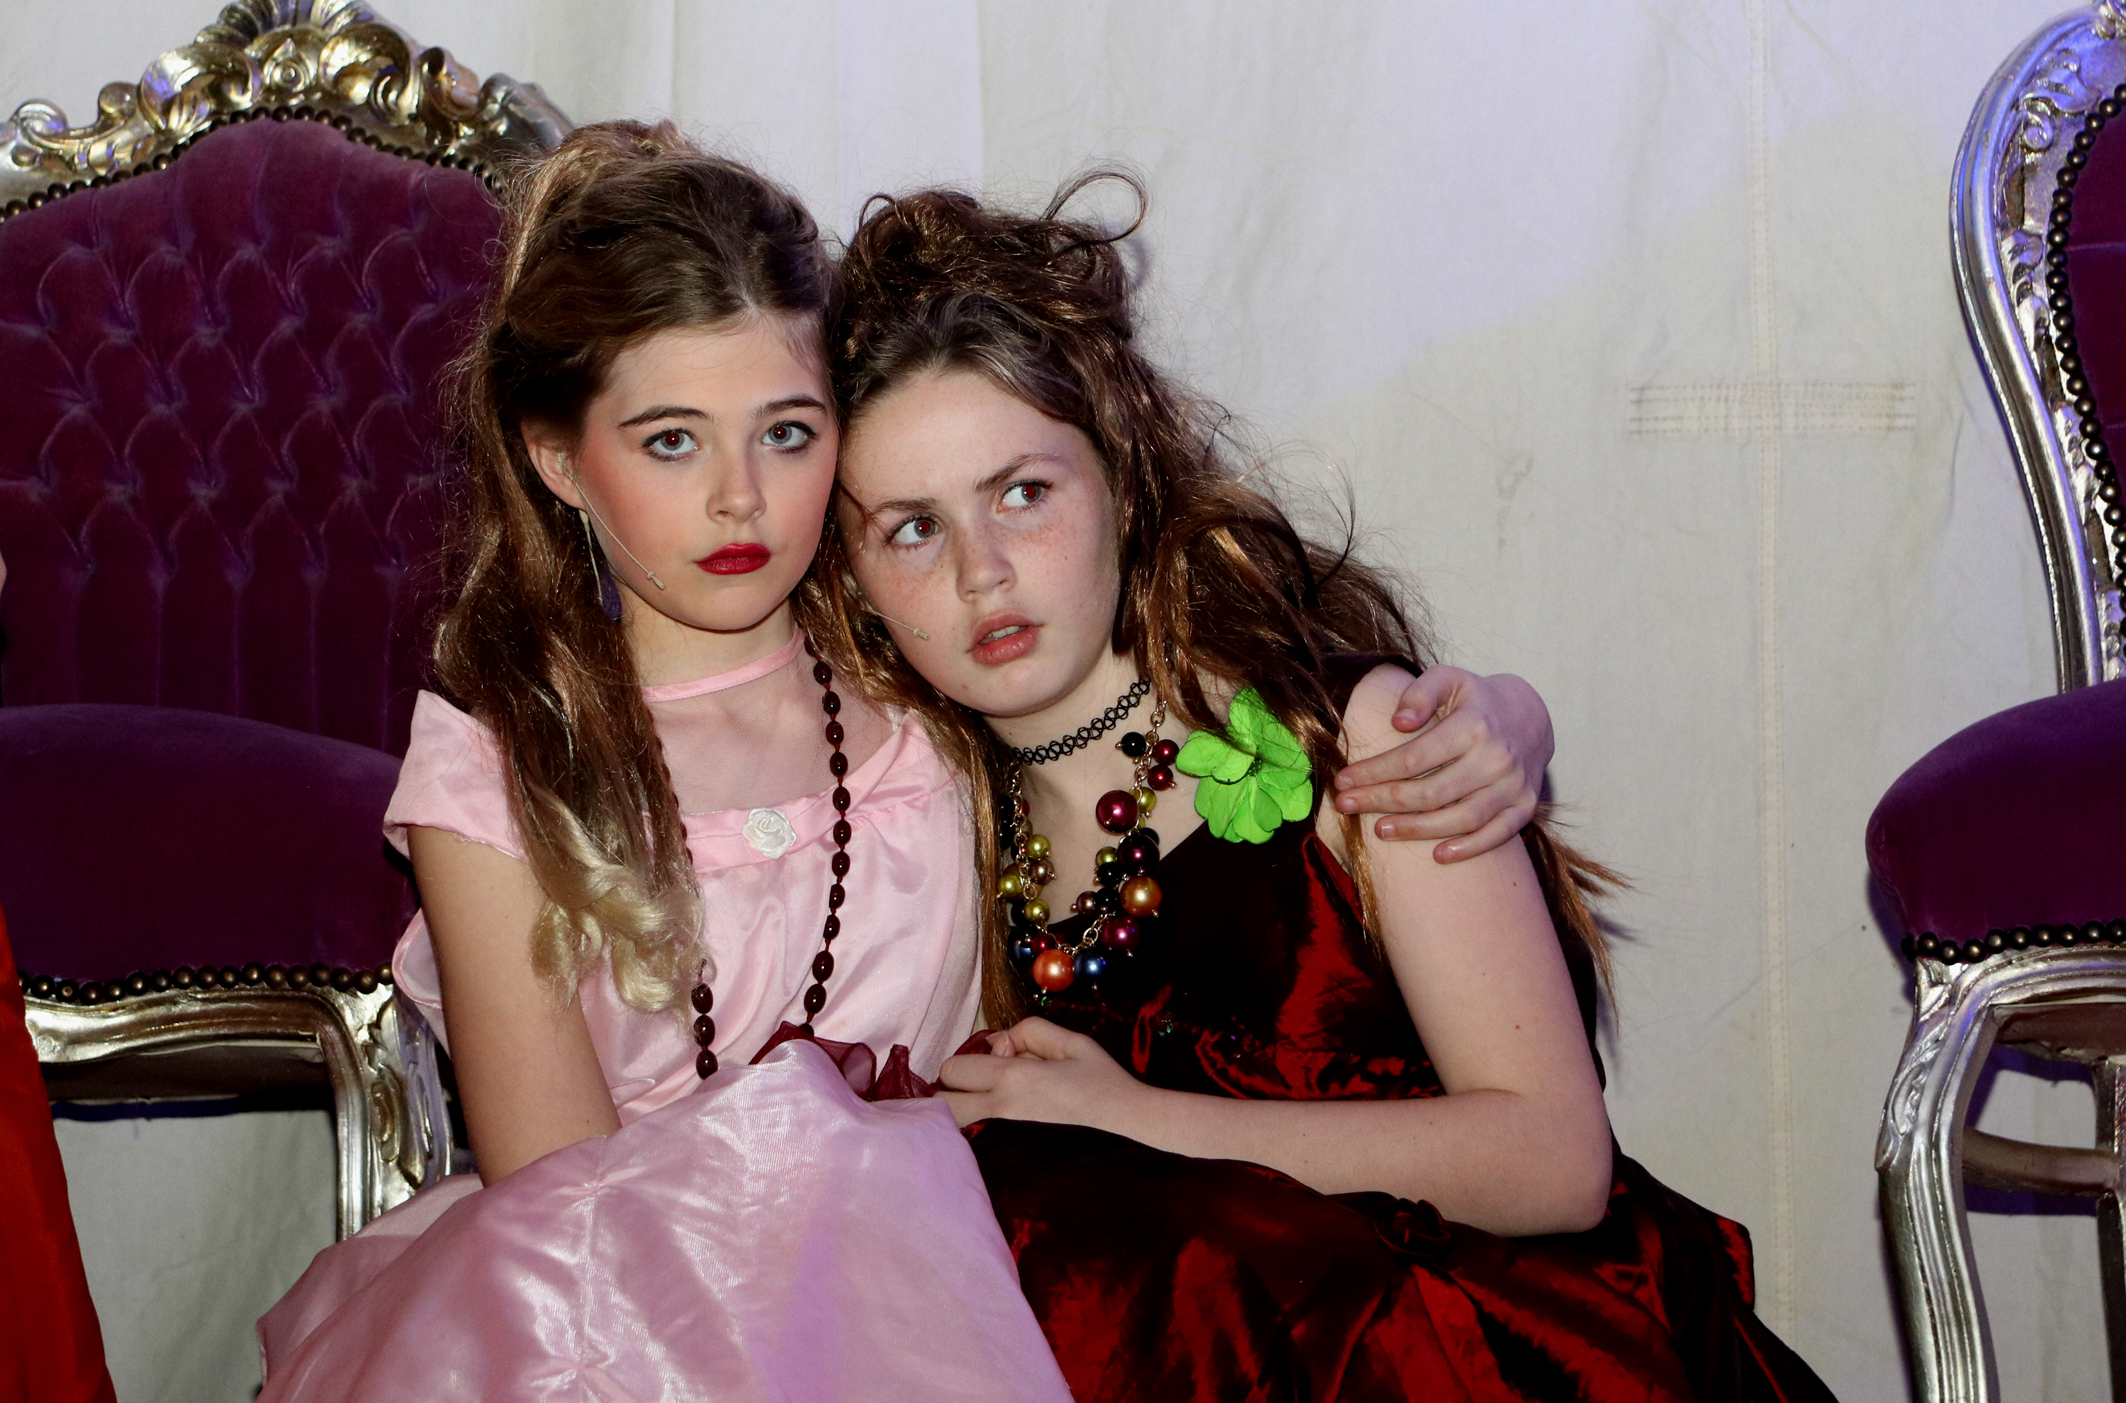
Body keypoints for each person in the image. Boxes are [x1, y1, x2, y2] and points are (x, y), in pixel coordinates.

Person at [252, 125, 1556, 1400]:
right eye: (670, 440)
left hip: (990, 1284)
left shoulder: (909, 688)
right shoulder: (507, 766)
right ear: (556, 458)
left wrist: (1495, 715)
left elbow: (1164, 681)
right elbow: (563, 1213)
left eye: (785, 432)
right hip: (632, 1328)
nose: (737, 498)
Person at [815, 177, 1840, 1402]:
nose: (980, 571)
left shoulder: (1354, 740)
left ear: (1122, 480)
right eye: (912, 528)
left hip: (1479, 1353)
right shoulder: (933, 830)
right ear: (855, 581)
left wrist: (1142, 1120)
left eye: (1021, 492)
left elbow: (1556, 1158)